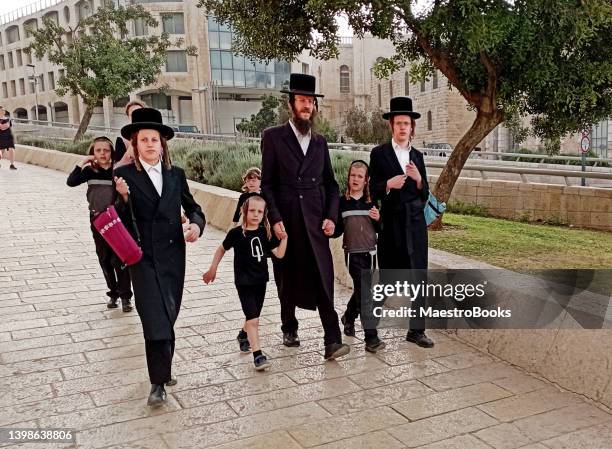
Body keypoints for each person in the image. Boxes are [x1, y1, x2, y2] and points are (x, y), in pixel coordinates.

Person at [114, 108, 205, 407]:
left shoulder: (176, 175)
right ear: (135, 144)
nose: (151, 144)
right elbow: (117, 222)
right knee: (153, 317)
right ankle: (157, 382)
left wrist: (196, 225)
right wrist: (123, 198)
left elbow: (194, 208)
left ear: (163, 144)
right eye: (144, 140)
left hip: (172, 256)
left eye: (155, 139)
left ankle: (164, 369)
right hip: (142, 258)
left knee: (168, 313)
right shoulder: (123, 176)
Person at [261, 73, 350, 360]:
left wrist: (331, 218)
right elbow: (267, 184)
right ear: (291, 104)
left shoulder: (321, 142)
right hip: (286, 221)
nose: (306, 106)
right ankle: (289, 325)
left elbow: (332, 186)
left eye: (310, 101)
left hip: (314, 222)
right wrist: (274, 218)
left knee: (324, 278)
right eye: (301, 100)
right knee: (285, 277)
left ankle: (332, 340)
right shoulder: (273, 137)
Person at [369, 97, 434, 348]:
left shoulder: (417, 155)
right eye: (398, 123)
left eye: (406, 123)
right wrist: (387, 184)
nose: (403, 127)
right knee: (387, 280)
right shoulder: (379, 154)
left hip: (415, 225)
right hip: (392, 225)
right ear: (391, 126)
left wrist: (419, 181)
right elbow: (371, 189)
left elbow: (425, 192)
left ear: (412, 127)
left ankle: (416, 331)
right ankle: (367, 327)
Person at [203, 194, 288, 371]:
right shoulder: (236, 234)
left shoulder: (265, 233)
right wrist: (213, 268)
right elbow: (221, 249)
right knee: (254, 319)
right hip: (244, 282)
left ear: (264, 214)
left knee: (253, 315)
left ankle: (243, 335)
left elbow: (279, 255)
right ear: (244, 211)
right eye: (252, 211)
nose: (256, 214)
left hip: (260, 281)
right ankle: (258, 355)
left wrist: (284, 239)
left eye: (260, 211)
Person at [67, 137, 133, 311]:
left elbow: (126, 195)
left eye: (106, 150)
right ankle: (113, 293)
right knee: (104, 259)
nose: (102, 154)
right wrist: (83, 162)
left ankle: (126, 296)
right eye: (98, 150)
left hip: (117, 221)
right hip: (97, 221)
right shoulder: (89, 171)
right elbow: (71, 182)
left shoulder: (117, 170)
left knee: (119, 259)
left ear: (112, 152)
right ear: (93, 153)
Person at [333, 160, 385, 353]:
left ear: (366, 180)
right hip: (351, 254)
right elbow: (337, 230)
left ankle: (348, 316)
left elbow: (381, 228)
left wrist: (379, 219)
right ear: (348, 177)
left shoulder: (372, 201)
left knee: (362, 290)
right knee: (365, 293)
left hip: (370, 253)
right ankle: (371, 337)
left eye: (360, 176)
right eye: (352, 175)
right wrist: (330, 228)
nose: (355, 179)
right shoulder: (341, 202)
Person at [114, 100, 146, 167]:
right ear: (128, 117)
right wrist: (128, 155)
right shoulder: (122, 139)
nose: (137, 117)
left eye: (139, 113)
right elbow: (117, 168)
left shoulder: (157, 136)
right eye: (132, 114)